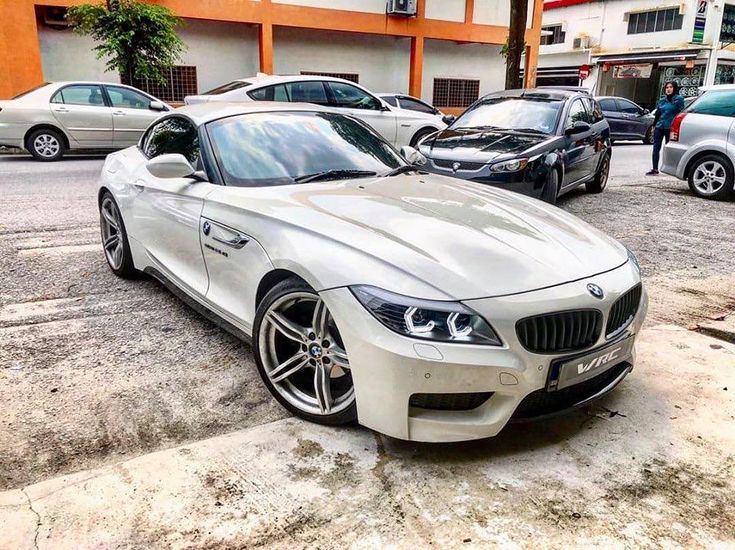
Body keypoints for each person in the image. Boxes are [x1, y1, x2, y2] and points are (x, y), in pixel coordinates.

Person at [647, 81, 685, 175]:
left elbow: (681, 113)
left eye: (671, 87)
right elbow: (658, 114)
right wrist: (654, 126)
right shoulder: (662, 100)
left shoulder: (678, 99)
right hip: (660, 126)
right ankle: (655, 168)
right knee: (656, 147)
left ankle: (671, 168)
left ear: (674, 88)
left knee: (669, 148)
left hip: (671, 127)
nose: (668, 89)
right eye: (667, 87)